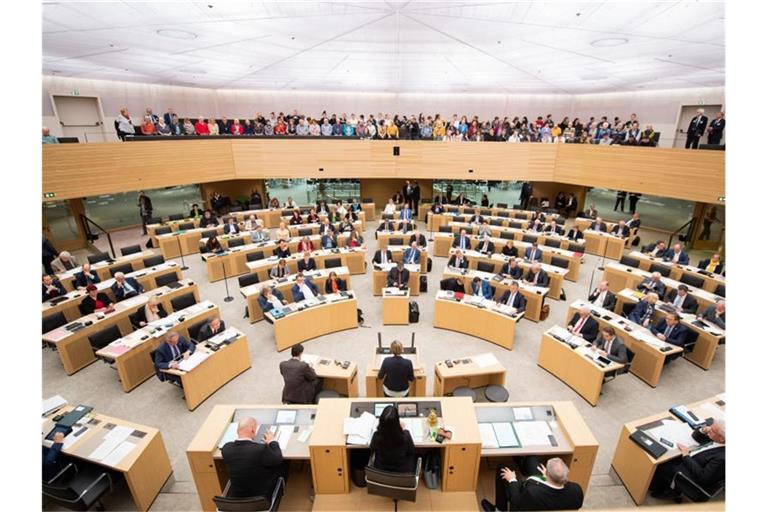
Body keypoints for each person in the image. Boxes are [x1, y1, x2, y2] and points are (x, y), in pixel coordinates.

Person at [649, 420, 725, 501]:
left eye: (712, 430)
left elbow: (703, 477)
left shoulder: (722, 458)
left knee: (665, 464)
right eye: (711, 427)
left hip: (693, 477)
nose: (710, 430)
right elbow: (696, 436)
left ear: (722, 439)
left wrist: (686, 455)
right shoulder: (718, 438)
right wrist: (704, 430)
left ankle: (666, 490)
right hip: (695, 458)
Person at [481, 457, 583, 512]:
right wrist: (547, 477)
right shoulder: (577, 490)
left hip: (527, 503)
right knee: (532, 460)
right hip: (547, 494)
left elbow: (516, 501)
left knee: (502, 469)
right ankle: (521, 460)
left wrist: (512, 479)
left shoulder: (532, 492)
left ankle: (498, 509)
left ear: (547, 473)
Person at [220, 416, 287, 498]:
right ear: (253, 430)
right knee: (284, 464)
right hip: (262, 499)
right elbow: (278, 458)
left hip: (237, 498)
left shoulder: (226, 449)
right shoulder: (260, 449)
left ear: (237, 431)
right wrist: (272, 441)